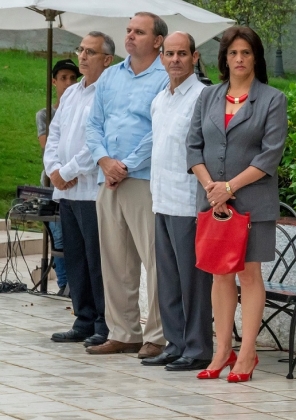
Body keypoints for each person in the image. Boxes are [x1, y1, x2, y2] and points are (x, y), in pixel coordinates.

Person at [187, 26, 287, 383]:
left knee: (249, 273)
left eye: (246, 53)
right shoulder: (208, 97)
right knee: (220, 273)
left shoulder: (272, 99)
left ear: (256, 58)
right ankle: (221, 349)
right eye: (233, 53)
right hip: (214, 202)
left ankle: (247, 353)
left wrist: (229, 186)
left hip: (254, 203)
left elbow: (270, 155)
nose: (239, 59)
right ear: (224, 58)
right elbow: (193, 146)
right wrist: (211, 187)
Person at [84, 11, 169, 359]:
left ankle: (158, 336)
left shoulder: (166, 77)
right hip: (109, 179)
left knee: (154, 259)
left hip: (143, 179)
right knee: (115, 260)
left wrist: (126, 166)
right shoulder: (110, 77)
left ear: (158, 40)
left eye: (139, 31)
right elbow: (93, 125)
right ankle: (123, 332)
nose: (130, 36)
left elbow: (158, 130)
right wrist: (105, 161)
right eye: (129, 30)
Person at [141, 32, 213, 371]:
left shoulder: (203, 97)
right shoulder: (160, 99)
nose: (175, 60)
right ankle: (174, 343)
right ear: (161, 58)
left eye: (182, 54)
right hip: (161, 200)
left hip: (188, 202)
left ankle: (198, 347)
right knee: (167, 278)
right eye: (169, 54)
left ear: (195, 57)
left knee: (193, 281)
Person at [44, 33, 114, 346]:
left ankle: (104, 323)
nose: (82, 56)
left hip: (90, 190)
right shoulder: (71, 93)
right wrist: (54, 171)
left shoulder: (109, 93)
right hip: (66, 192)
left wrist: (69, 170)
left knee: (96, 260)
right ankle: (83, 319)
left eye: (91, 52)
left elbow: (100, 140)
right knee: (75, 259)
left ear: (107, 59)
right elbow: (54, 133)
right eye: (81, 50)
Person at [37, 58, 80, 295]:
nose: (68, 82)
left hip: (75, 177)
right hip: (53, 179)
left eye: (72, 78)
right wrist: (60, 172)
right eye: (63, 78)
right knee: (60, 236)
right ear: (54, 81)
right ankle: (64, 282)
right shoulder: (46, 114)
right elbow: (47, 146)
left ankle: (72, 284)